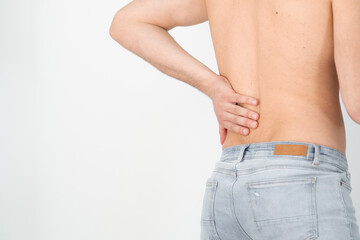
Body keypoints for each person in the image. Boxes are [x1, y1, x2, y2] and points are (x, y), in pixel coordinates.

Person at [109, 0, 360, 239]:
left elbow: (127, 22)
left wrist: (213, 86)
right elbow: (356, 103)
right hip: (302, 183)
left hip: (227, 184)